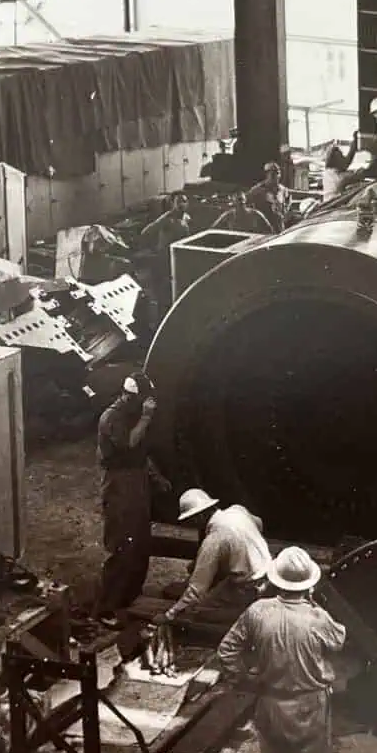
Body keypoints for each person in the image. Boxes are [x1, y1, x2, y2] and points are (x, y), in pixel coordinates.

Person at [217, 547, 347, 753]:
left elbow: (226, 650)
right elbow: (338, 641)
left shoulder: (257, 611)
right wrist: (313, 604)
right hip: (310, 706)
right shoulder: (317, 618)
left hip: (271, 702)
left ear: (275, 580)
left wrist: (242, 680)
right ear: (309, 585)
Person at [94, 371, 172, 627]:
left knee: (139, 544)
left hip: (136, 482)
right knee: (121, 545)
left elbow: (141, 454)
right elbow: (129, 444)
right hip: (119, 486)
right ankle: (108, 607)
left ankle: (129, 598)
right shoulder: (112, 418)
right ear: (128, 397)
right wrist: (147, 417)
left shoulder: (131, 415)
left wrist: (156, 478)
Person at [154, 488, 271, 627]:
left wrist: (169, 615)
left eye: (191, 520)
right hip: (267, 573)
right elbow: (259, 523)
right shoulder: (237, 511)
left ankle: (246, 613)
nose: (191, 525)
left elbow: (197, 589)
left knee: (198, 610)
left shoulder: (214, 540)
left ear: (199, 516)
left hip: (247, 588)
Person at [140, 193, 191, 314]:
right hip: (164, 259)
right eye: (178, 201)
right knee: (163, 293)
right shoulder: (167, 219)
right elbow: (146, 231)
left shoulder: (187, 218)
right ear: (173, 204)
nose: (181, 204)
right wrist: (155, 247)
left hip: (179, 258)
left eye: (184, 201)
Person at [247, 162, 292, 233]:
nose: (275, 176)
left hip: (279, 228)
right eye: (272, 174)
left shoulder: (284, 190)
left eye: (277, 173)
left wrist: (284, 213)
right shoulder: (257, 191)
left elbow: (287, 207)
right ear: (266, 174)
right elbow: (247, 205)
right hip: (263, 229)